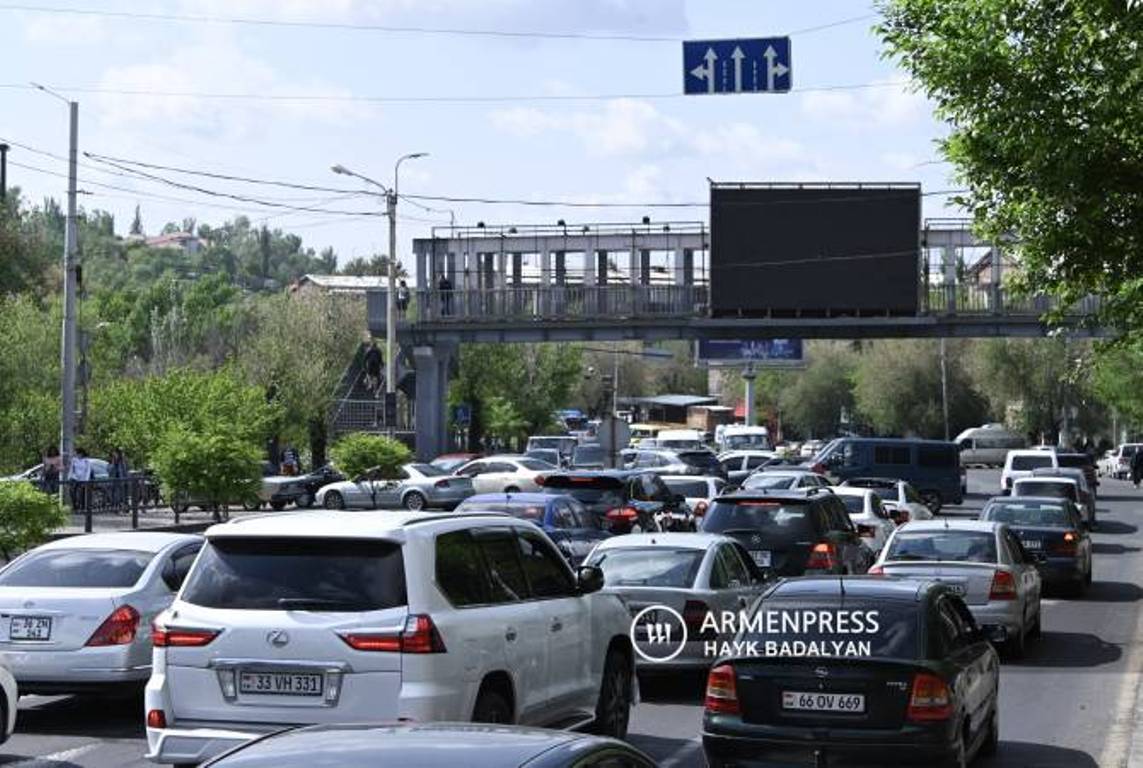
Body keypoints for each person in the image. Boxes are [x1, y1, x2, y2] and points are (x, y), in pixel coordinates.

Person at [68, 447, 93, 513]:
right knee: (72, 491)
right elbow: (71, 469)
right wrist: (69, 477)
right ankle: (74, 506)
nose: (75, 454)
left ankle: (81, 506)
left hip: (82, 479)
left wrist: (86, 480)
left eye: (76, 453)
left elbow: (88, 470)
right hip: (75, 478)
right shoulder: (74, 460)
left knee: (81, 493)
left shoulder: (86, 460)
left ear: (81, 453)